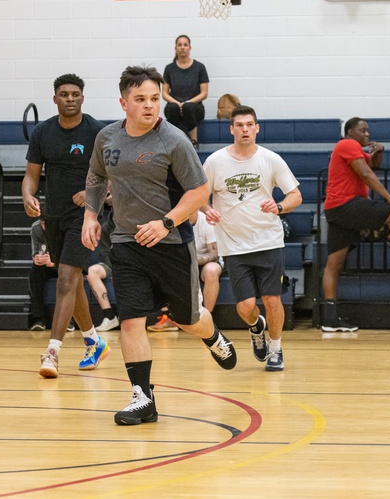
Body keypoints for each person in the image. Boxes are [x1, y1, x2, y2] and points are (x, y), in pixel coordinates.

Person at [82, 65, 237, 426]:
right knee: (132, 321)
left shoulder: (174, 141)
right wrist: (91, 215)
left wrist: (166, 221)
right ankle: (142, 397)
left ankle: (212, 335)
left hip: (170, 243)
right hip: (125, 242)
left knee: (188, 320)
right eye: (141, 100)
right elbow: (95, 175)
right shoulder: (106, 138)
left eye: (154, 98)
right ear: (124, 103)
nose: (150, 106)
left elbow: (199, 192)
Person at [202, 105, 303, 371]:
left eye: (249, 124)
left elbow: (296, 196)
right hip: (233, 245)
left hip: (268, 241)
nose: (245, 129)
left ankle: (276, 350)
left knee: (272, 300)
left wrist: (279, 206)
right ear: (231, 129)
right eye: (239, 125)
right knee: (246, 307)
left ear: (256, 128)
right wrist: (206, 209)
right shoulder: (214, 162)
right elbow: (199, 195)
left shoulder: (271, 159)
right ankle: (256, 327)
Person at [23, 73, 109, 378]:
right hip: (53, 216)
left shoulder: (97, 132)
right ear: (55, 98)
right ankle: (93, 341)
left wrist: (92, 193)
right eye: (64, 94)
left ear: (83, 97)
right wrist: (27, 195)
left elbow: (113, 175)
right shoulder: (43, 132)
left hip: (85, 218)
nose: (70, 98)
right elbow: (32, 174)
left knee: (65, 278)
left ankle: (52, 352)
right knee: (71, 282)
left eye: (75, 94)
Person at [320, 117, 390, 332]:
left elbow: (373, 165)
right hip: (347, 205)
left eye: (368, 131)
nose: (367, 134)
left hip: (335, 209)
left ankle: (330, 319)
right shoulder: (347, 144)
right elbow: (367, 174)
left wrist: (379, 152)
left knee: (333, 264)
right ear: (349, 131)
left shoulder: (355, 150)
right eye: (362, 130)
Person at [163, 34, 209, 146]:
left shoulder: (199, 67)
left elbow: (204, 93)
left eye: (185, 45)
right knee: (172, 108)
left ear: (189, 48)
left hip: (195, 107)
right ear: (175, 48)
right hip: (175, 106)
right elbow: (164, 93)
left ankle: (194, 141)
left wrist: (187, 103)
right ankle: (171, 141)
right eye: (179, 45)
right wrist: (178, 103)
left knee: (188, 107)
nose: (182, 47)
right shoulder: (169, 68)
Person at [86, 194, 119, 332]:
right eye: (108, 195)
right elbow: (104, 252)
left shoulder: (136, 220)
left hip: (136, 262)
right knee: (91, 271)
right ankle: (110, 316)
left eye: (112, 194)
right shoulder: (106, 226)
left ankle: (166, 315)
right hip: (114, 263)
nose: (110, 197)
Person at [27, 218, 57, 331]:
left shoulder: (62, 227)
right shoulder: (36, 228)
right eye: (43, 223)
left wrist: (54, 262)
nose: (45, 227)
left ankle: (69, 321)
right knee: (34, 272)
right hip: (46, 265)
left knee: (67, 274)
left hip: (62, 265)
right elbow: (35, 250)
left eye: (47, 223)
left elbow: (68, 256)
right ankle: (38, 318)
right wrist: (37, 258)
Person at [192, 210, 222, 314]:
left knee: (211, 270)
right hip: (183, 261)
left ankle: (207, 316)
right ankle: (168, 317)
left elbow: (215, 254)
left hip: (205, 261)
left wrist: (196, 260)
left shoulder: (206, 221)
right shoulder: (173, 221)